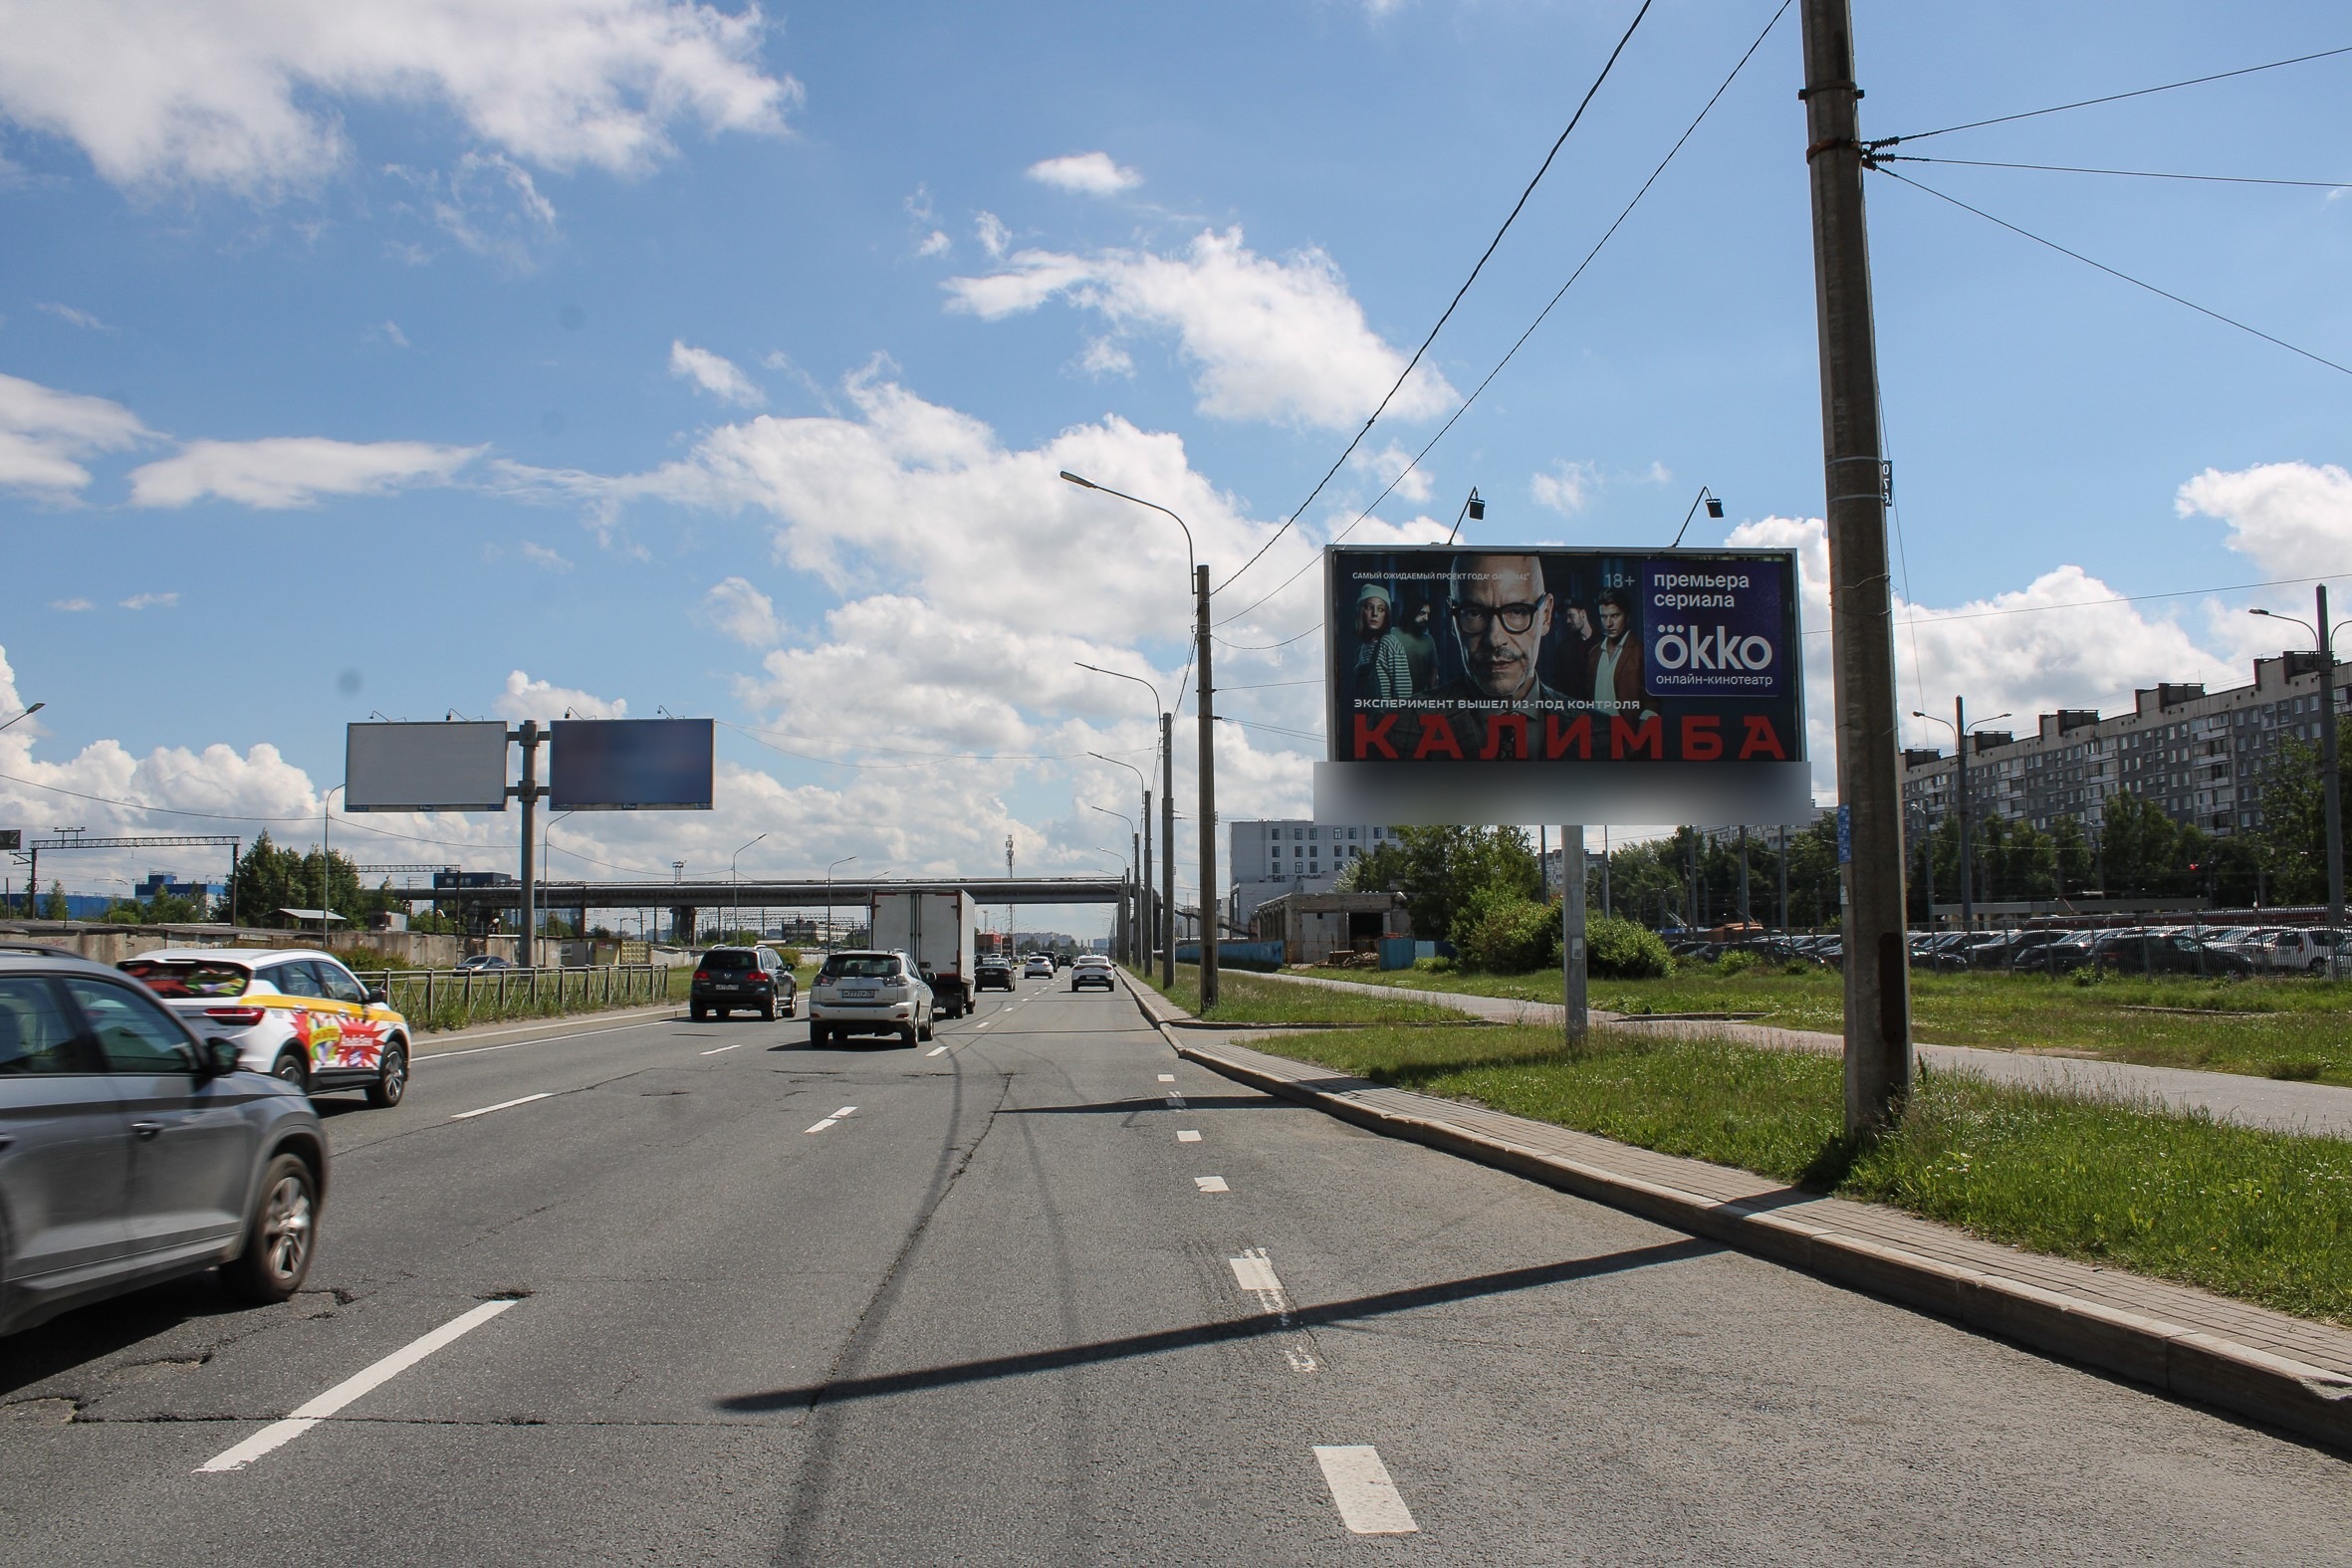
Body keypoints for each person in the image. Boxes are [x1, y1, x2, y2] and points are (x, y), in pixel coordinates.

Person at [1352, 582, 1414, 702]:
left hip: (1387, 718)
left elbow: (1403, 694)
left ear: (1386, 615)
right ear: (1361, 611)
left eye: (1381, 609)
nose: (1374, 614)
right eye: (1369, 607)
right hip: (1367, 718)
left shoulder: (1389, 643)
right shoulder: (1361, 649)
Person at [1586, 587, 1643, 713]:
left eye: (1615, 616)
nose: (1608, 623)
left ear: (1627, 617)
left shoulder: (1640, 651)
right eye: (1603, 617)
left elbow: (1651, 702)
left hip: (1627, 729)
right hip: (1596, 729)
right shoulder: (1594, 653)